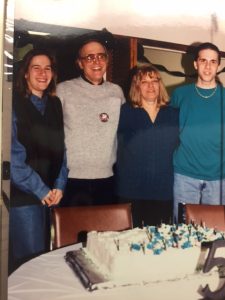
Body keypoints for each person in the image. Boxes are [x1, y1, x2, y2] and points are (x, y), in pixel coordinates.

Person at [9, 49, 68, 273]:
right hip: (25, 197)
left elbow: (63, 148)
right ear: (25, 73)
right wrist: (41, 190)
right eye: (36, 68)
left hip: (53, 197)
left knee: (50, 261)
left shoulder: (55, 104)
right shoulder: (13, 103)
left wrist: (60, 186)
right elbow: (13, 159)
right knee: (30, 267)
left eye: (48, 68)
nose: (43, 73)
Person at [56, 30, 125, 207]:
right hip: (71, 179)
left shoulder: (116, 92)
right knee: (71, 233)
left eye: (101, 56)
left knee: (105, 234)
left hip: (108, 179)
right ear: (80, 63)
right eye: (89, 57)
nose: (96, 62)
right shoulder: (63, 90)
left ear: (107, 60)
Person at [115, 65, 179, 227]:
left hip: (163, 190)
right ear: (137, 86)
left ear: (160, 84)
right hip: (131, 190)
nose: (150, 86)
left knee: (159, 242)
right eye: (144, 82)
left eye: (154, 81)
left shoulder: (173, 113)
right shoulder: (124, 112)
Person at [170, 42, 225, 222]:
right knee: (182, 228)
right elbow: (168, 132)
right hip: (185, 174)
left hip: (219, 176)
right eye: (203, 61)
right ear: (195, 64)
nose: (208, 66)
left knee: (214, 230)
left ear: (219, 65)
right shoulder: (180, 94)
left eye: (213, 61)